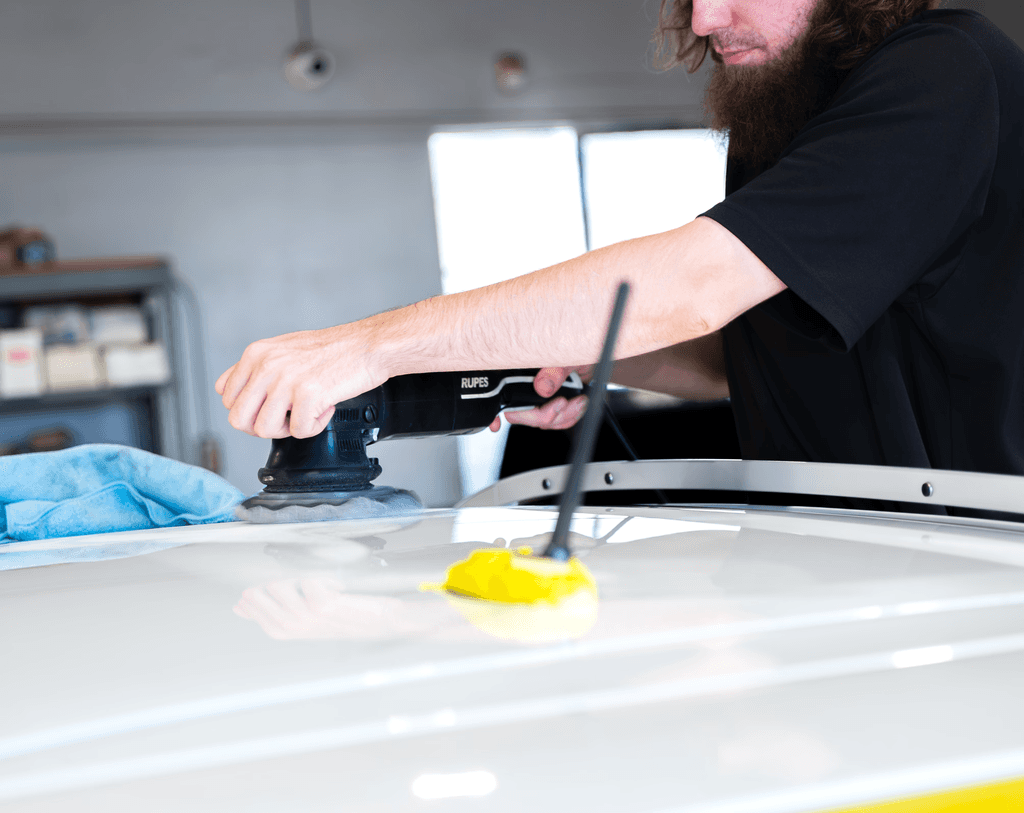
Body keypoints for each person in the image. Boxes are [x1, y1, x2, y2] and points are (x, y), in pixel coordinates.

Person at [217, 0, 1024, 480]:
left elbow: (694, 287)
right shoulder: (788, 114)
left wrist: (373, 344)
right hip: (829, 554)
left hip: (975, 562)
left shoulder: (948, 71)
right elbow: (732, 359)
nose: (705, 19)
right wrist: (553, 355)